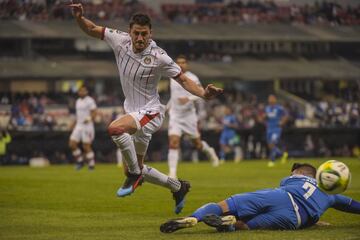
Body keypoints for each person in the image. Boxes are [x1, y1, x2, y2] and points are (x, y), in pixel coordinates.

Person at [69, 4, 223, 214]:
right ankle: (178, 187)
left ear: (151, 33)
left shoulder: (159, 56)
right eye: (136, 33)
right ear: (129, 31)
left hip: (151, 113)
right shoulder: (119, 40)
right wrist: (79, 18)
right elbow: (92, 28)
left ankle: (134, 175)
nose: (140, 38)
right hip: (133, 113)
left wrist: (204, 95)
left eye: (144, 34)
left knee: (115, 130)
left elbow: (183, 80)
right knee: (134, 166)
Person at [160, 162, 360, 233]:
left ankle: (195, 218)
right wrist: (314, 220)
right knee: (246, 226)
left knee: (226, 204)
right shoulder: (332, 196)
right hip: (296, 220)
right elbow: (351, 205)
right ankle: (229, 225)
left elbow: (288, 187)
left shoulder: (292, 179)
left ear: (299, 171)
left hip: (282, 197)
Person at [167, 55, 219, 179]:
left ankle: (209, 151)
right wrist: (167, 106)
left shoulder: (193, 77)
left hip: (189, 117)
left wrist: (188, 98)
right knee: (173, 143)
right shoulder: (172, 77)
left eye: (183, 62)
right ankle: (172, 173)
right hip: (175, 115)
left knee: (197, 144)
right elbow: (174, 96)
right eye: (178, 62)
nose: (180, 64)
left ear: (187, 64)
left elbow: (202, 93)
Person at [69, 85, 97, 170]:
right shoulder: (78, 101)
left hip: (87, 126)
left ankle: (91, 165)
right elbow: (78, 115)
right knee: (72, 144)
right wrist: (73, 123)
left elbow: (94, 112)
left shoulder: (90, 101)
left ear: (86, 92)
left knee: (86, 146)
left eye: (84, 91)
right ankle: (80, 161)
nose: (82, 92)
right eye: (80, 91)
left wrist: (89, 118)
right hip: (79, 125)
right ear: (78, 92)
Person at [263, 94, 288, 167]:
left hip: (276, 128)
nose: (270, 100)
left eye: (272, 98)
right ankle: (282, 154)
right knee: (270, 145)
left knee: (272, 143)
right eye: (269, 98)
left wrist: (282, 122)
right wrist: (265, 119)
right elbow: (266, 117)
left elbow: (286, 115)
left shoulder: (279, 108)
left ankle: (272, 160)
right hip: (269, 128)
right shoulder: (267, 108)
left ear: (275, 100)